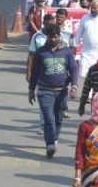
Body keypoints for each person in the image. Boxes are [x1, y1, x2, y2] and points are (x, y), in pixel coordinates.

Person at [28, 24, 77, 158]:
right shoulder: (41, 52)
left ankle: (54, 138)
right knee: (49, 119)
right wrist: (31, 90)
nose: (53, 40)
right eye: (51, 37)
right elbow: (35, 72)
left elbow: (73, 69)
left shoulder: (66, 52)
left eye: (55, 37)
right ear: (47, 37)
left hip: (61, 91)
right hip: (45, 91)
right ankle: (50, 144)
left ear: (59, 37)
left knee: (59, 118)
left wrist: (74, 86)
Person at [74, 0, 98, 89]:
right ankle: (88, 92)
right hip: (86, 52)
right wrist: (75, 45)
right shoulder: (85, 18)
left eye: (95, 8)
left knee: (97, 73)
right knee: (85, 73)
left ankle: (92, 95)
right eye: (92, 8)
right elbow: (79, 33)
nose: (93, 10)